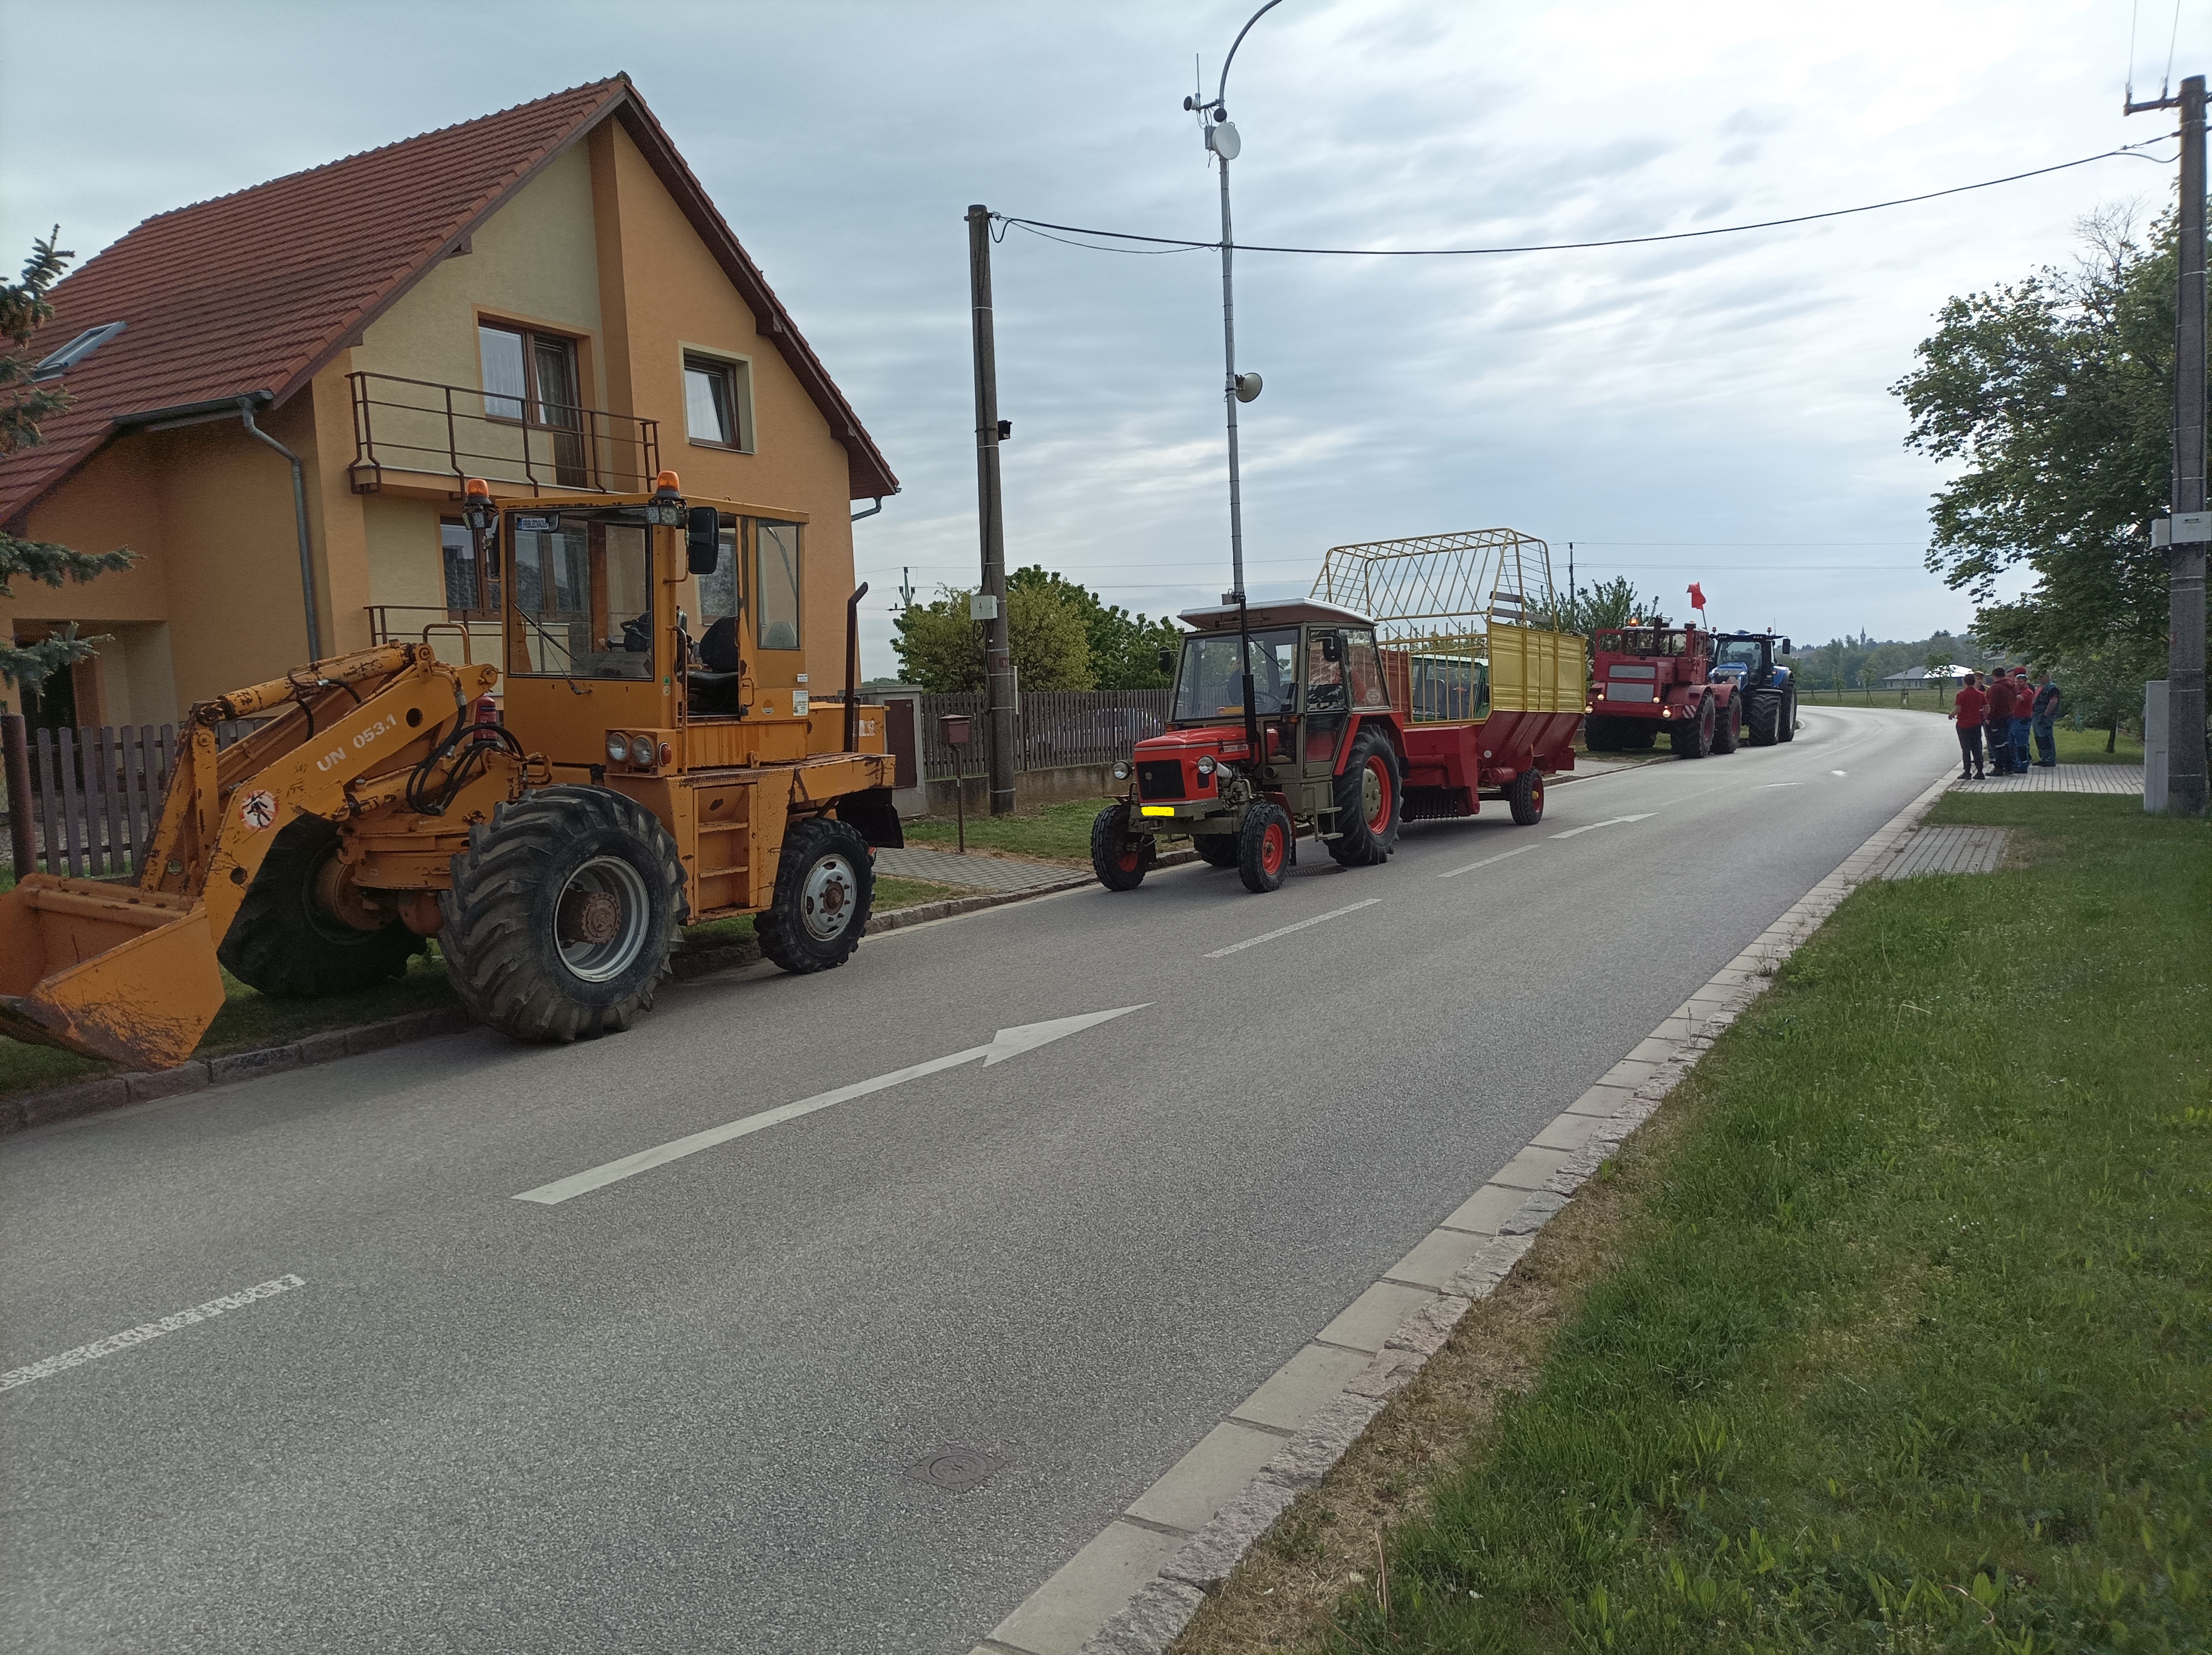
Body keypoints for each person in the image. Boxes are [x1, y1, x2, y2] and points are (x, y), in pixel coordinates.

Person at [1950, 671, 1987, 779]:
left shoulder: (1961, 695)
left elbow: (1958, 710)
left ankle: (1967, 772)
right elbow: (1987, 709)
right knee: (1977, 747)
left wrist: (1951, 715)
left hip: (1963, 724)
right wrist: (1977, 712)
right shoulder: (1980, 694)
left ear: (1965, 682)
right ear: (1974, 682)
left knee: (1966, 748)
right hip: (1976, 723)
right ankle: (1980, 772)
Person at [1983, 668, 2015, 774]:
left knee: (1997, 744)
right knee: (2005, 743)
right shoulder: (2010, 685)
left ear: (1994, 676)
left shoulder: (1996, 688)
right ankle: (2009, 766)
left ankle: (1999, 767)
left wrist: (1988, 718)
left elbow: (1992, 705)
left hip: (1997, 719)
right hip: (2008, 716)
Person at [2031, 670, 2062, 767]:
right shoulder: (2041, 688)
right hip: (2037, 716)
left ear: (2048, 677)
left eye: (2042, 677)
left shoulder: (2052, 688)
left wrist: (2046, 714)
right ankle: (2044, 758)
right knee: (2040, 738)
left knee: (2046, 738)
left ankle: (2049, 759)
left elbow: (2053, 702)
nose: (2039, 679)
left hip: (2045, 717)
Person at [2011, 667, 2035, 771]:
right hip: (2015, 719)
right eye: (2016, 682)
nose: (2018, 684)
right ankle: (2017, 763)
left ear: (2025, 682)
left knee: (2021, 744)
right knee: (2014, 742)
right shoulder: (2018, 691)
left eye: (2020, 682)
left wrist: (2011, 694)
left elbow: (2021, 698)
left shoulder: (2028, 692)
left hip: (2023, 720)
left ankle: (2023, 765)